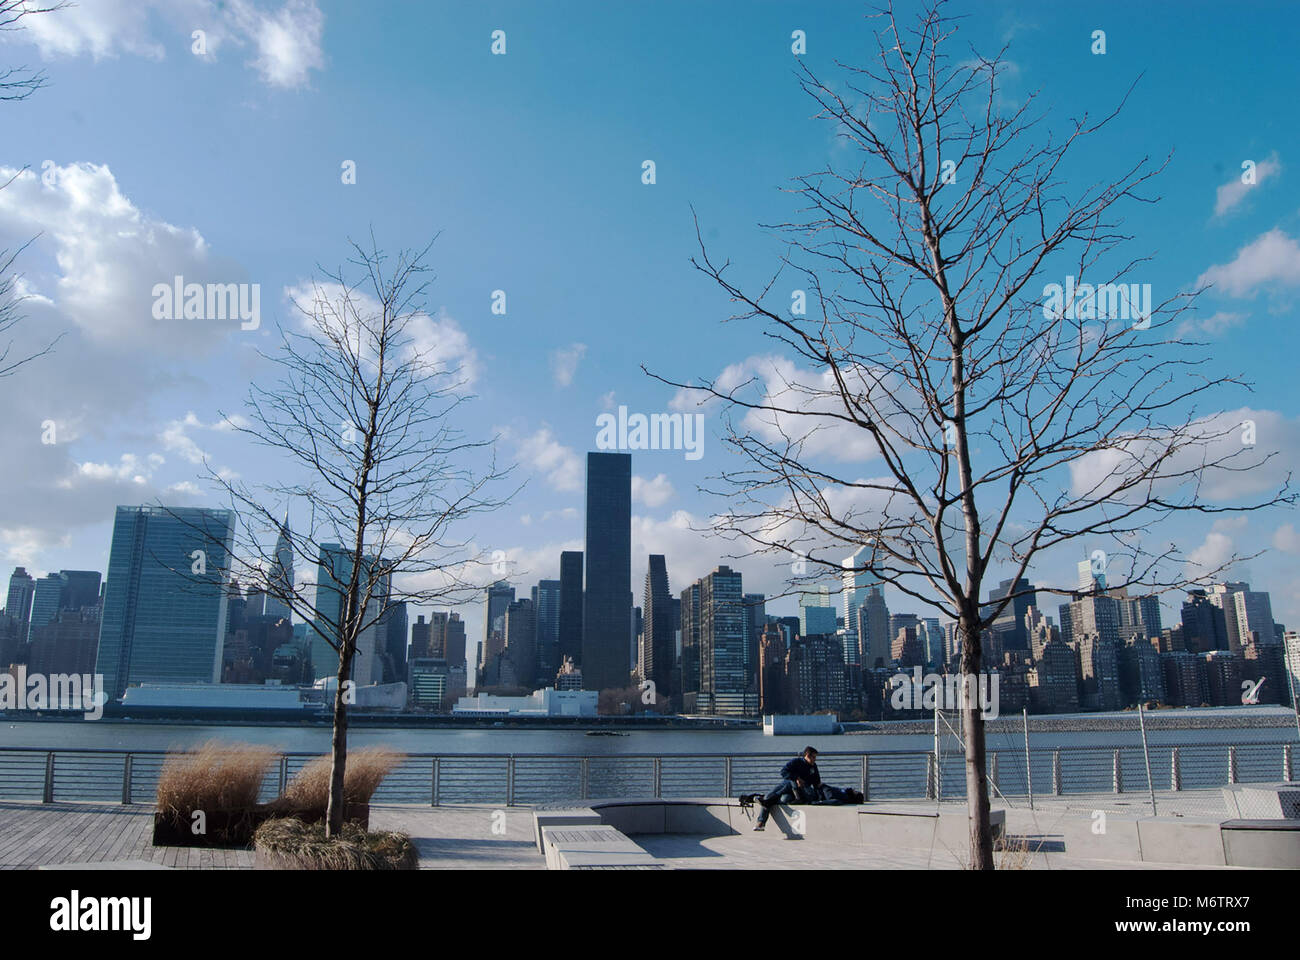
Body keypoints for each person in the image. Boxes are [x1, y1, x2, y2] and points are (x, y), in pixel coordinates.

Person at [753, 746, 820, 831]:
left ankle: (767, 802)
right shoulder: (796, 762)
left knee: (777, 798)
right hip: (788, 787)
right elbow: (783, 772)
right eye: (813, 757)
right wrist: (796, 778)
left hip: (800, 791)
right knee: (782, 794)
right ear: (807, 755)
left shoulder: (813, 767)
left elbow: (817, 782)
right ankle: (761, 824)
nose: (815, 759)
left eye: (815, 757)